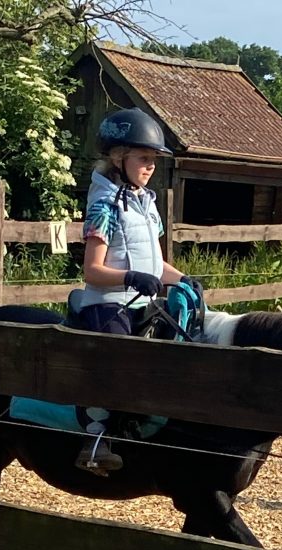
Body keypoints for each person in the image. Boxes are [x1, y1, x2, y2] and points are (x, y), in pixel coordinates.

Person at [74, 107, 195, 475]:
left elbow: (157, 266)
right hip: (107, 303)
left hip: (142, 301)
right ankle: (95, 441)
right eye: (144, 158)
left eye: (154, 160)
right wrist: (129, 279)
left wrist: (183, 278)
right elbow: (92, 271)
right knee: (120, 362)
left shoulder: (144, 204)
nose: (151, 166)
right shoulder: (103, 206)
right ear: (118, 157)